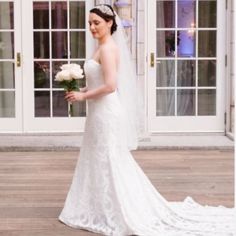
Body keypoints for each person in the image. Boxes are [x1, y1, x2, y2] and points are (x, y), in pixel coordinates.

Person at [59, 4, 235, 236]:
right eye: (90, 23)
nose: (92, 27)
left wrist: (83, 96)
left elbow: (111, 86)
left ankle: (120, 209)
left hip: (106, 113)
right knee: (99, 157)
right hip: (97, 113)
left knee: (111, 159)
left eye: (96, 23)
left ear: (110, 23)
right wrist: (79, 89)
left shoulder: (109, 49)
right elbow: (99, 81)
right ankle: (99, 206)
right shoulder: (101, 47)